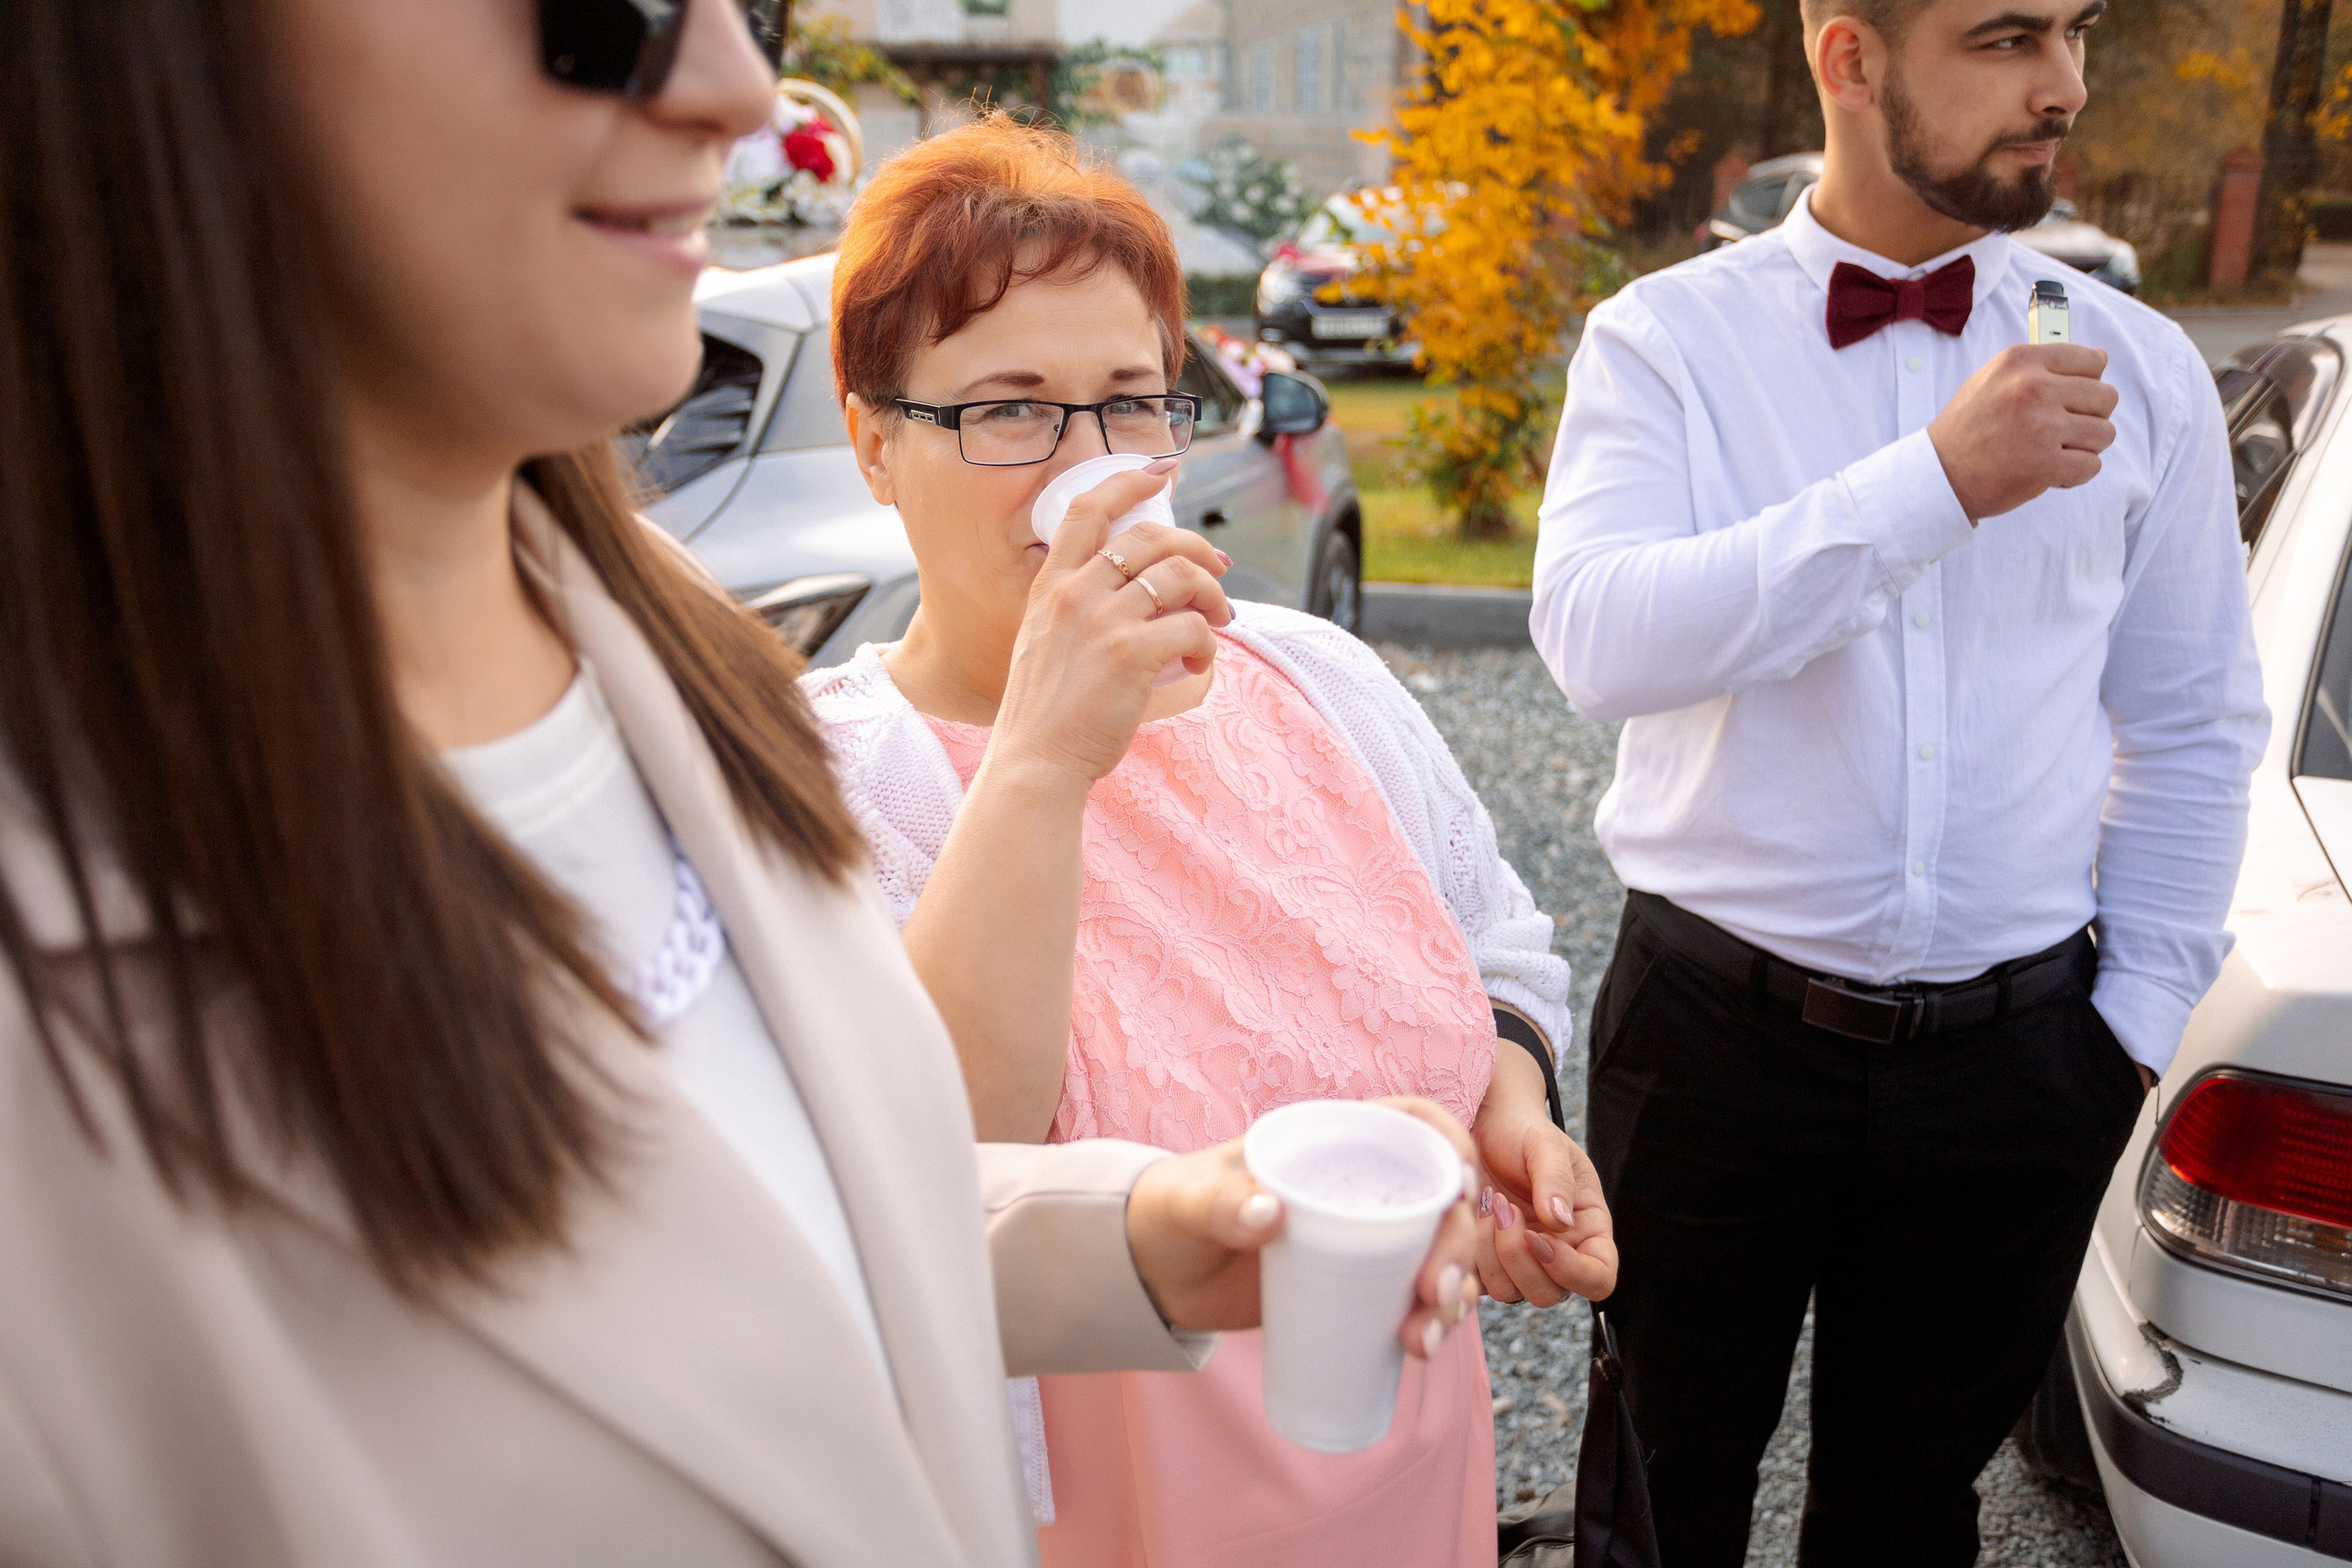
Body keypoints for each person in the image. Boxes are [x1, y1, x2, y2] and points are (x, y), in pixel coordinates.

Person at [0, 5, 1487, 1566]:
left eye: (742, 10)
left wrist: (1143, 1235)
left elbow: (762, 1208)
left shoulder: (661, 630)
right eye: (601, 12)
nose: (735, 88)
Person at [800, 116, 1619, 1568]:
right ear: (875, 443)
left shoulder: (1319, 680)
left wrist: (1512, 1102)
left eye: (1130, 400)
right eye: (1010, 409)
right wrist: (1047, 750)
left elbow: (1494, 937)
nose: (1095, 469)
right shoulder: (824, 779)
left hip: (1402, 1473)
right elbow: (916, 1172)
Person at [1531, 0, 2270, 1562]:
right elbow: (1600, 642)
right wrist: (1933, 483)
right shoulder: (1667, 340)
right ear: (1850, 60)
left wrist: (2130, 1028)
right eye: (2005, 39)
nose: (2065, 86)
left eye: (2074, 34)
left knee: (1909, 1519)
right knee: (1656, 1496)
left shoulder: (2143, 367)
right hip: (1710, 1042)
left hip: (2021, 1065)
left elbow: (2194, 724)